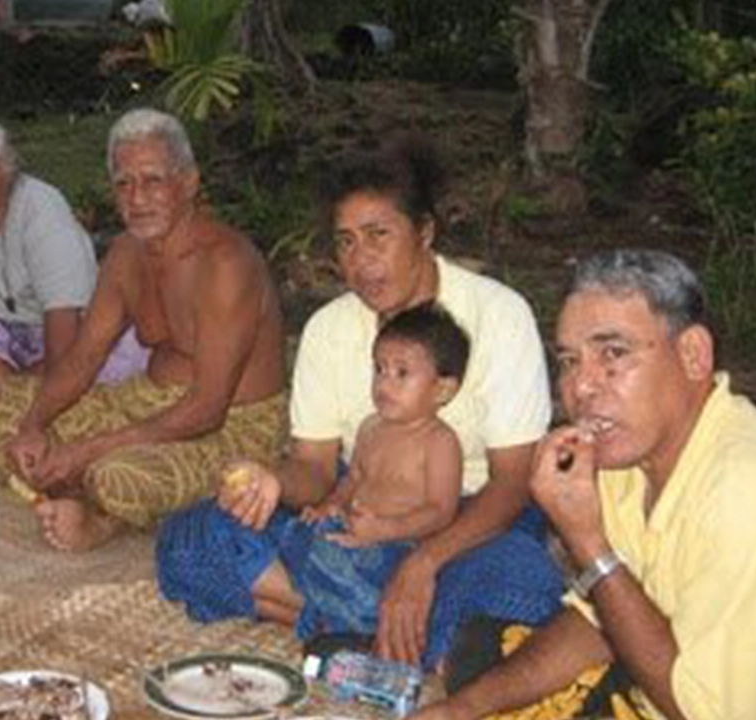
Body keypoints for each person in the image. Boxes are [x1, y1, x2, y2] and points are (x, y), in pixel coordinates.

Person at [157, 141, 562, 671]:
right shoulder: (329, 330)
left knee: (524, 582)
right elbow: (315, 469)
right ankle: (392, 628)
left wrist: (422, 564)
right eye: (346, 242)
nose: (361, 259)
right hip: (359, 512)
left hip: (469, 518)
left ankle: (349, 618)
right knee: (189, 540)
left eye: (379, 235)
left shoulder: (499, 315)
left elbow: (512, 484)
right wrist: (275, 484)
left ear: (425, 232)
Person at [413, 249, 756, 720]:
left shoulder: (755, 494)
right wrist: (465, 708)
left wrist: (588, 543)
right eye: (568, 361)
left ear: (693, 355)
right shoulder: (628, 459)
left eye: (613, 354)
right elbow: (597, 620)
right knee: (483, 650)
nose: (580, 386)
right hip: (658, 679)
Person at [0, 108, 288, 552]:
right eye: (124, 183)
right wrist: (34, 425)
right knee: (10, 407)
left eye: (152, 181)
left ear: (189, 183)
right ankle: (75, 489)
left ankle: (101, 518)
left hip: (232, 425)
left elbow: (208, 408)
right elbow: (83, 359)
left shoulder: (226, 263)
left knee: (120, 476)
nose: (136, 198)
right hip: (144, 400)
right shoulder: (125, 254)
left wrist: (87, 451)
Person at [258, 302, 468, 640]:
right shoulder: (371, 427)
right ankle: (327, 604)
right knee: (291, 533)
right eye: (379, 369)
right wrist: (331, 505)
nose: (385, 383)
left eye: (402, 373)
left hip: (395, 546)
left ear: (443, 389)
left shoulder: (439, 442)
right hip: (352, 528)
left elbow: (441, 512)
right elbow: (354, 478)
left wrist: (385, 529)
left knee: (344, 563)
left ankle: (345, 616)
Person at [0, 120, 148, 411]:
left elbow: (64, 323)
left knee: (119, 356)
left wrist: (52, 384)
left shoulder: (42, 210)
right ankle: (7, 400)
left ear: (7, 175)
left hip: (60, 332)